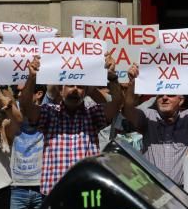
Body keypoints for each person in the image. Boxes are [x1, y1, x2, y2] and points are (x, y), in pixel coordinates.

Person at [19, 56, 122, 195]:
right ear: (60, 90)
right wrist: (31, 78)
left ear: (85, 92)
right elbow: (26, 107)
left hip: (87, 193)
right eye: (70, 85)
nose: (75, 90)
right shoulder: (49, 113)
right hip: (55, 194)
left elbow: (116, 104)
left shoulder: (93, 114)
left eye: (80, 86)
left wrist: (112, 78)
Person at [123, 60, 188, 184]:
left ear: (181, 100)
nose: (164, 97)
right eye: (160, 95)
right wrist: (133, 84)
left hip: (183, 191)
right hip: (154, 189)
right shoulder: (148, 116)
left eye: (170, 94)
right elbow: (128, 109)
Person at [8, 83, 46, 209]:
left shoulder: (49, 112)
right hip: (17, 187)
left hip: (43, 187)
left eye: (23, 92)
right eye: (17, 92)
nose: (18, 95)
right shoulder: (10, 113)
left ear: (39, 94)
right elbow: (16, 114)